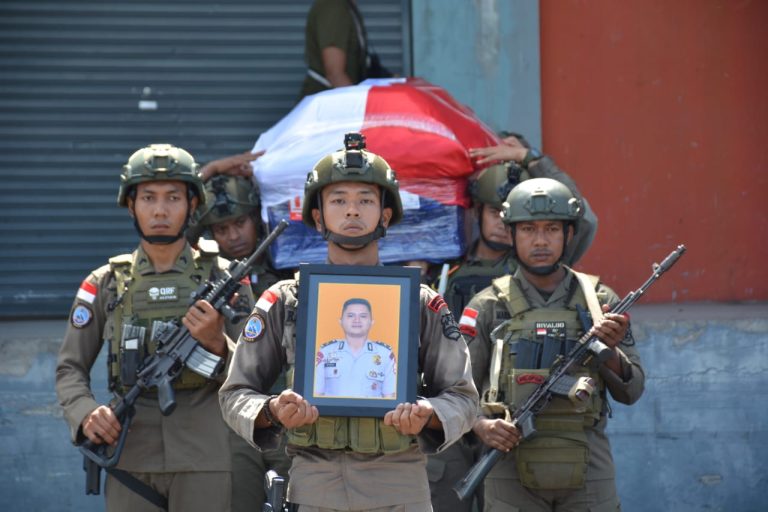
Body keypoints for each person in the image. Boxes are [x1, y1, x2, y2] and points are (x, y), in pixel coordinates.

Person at [219, 132, 478, 511]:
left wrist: (428, 415)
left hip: (400, 483)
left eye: (365, 200)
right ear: (319, 217)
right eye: (338, 200)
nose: (352, 211)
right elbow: (235, 394)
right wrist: (273, 410)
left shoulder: (420, 302)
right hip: (314, 482)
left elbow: (464, 397)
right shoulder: (284, 299)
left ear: (385, 215)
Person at [55, 144, 254, 511]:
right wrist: (85, 414)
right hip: (129, 453)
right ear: (131, 205)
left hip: (205, 457)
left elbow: (256, 372)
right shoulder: (105, 284)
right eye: (148, 197)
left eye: (173, 197)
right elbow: (70, 368)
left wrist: (218, 345)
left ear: (193, 205)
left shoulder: (223, 278)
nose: (160, 210)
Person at [426, 135, 598, 512]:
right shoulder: (444, 271)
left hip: (511, 420)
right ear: (477, 213)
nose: (505, 226)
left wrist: (532, 159)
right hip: (452, 414)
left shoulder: (536, 268)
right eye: (492, 212)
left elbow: (581, 216)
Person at [460, 178, 645, 511]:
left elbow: (632, 392)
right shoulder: (487, 306)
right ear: (511, 234)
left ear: (569, 234)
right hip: (508, 469)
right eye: (529, 229)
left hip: (588, 466)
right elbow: (458, 392)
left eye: (552, 229)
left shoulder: (600, 303)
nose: (541, 241)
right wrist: (482, 426)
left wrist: (611, 351)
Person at [190, 172, 294, 512]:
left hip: (291, 413)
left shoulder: (292, 270)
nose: (233, 236)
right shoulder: (210, 280)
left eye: (240, 223)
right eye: (221, 229)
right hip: (236, 422)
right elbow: (175, 228)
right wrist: (207, 173)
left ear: (257, 219)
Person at [314, 298, 396, 398]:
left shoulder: (385, 355)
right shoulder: (325, 352)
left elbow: (389, 398)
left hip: (372, 414)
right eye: (350, 315)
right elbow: (316, 395)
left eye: (363, 316)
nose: (357, 320)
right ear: (341, 321)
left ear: (372, 321)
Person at [299, 0, 368, 99]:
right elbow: (335, 74)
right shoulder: (334, 6)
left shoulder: (346, 6)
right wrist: (356, 105)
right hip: (326, 105)